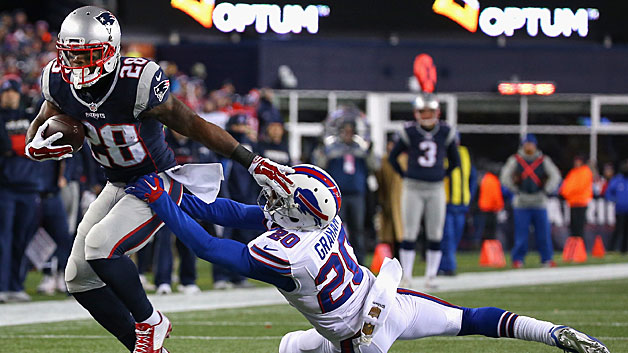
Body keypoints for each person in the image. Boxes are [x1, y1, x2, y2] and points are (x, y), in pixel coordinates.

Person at [23, 7, 293, 353]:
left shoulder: (137, 82)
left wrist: (251, 161)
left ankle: (151, 321)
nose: (74, 64)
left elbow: (193, 124)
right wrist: (35, 146)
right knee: (78, 277)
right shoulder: (58, 80)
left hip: (154, 183)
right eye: (69, 54)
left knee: (100, 246)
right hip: (116, 182)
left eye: (84, 55)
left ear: (109, 51)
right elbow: (43, 118)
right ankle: (145, 348)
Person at [125, 165, 609, 353]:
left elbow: (209, 246)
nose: (274, 195)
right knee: (474, 320)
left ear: (296, 211)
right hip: (385, 299)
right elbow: (228, 212)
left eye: (283, 194)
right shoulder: (324, 222)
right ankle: (554, 334)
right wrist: (171, 194)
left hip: (360, 339)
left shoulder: (285, 255)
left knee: (296, 347)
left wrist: (161, 202)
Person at [388, 94, 460, 288]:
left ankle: (431, 276)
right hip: (413, 187)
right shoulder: (409, 131)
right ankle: (407, 276)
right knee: (409, 232)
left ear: (437, 112)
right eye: (423, 111)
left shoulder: (445, 131)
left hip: (435, 187)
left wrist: (441, 174)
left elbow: (455, 161)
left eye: (430, 111)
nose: (426, 115)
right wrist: (405, 175)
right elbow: (393, 157)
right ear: (416, 113)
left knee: (435, 232)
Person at [0, 78, 42, 303]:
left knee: (22, 239)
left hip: (29, 187)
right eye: (4, 92)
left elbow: (34, 145)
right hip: (5, 187)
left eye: (11, 92)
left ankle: (16, 285)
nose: (8, 96)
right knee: (3, 239)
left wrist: (17, 146)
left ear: (18, 94)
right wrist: (21, 146)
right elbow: (10, 146)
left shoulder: (29, 117)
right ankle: (2, 286)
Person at [315, 118, 379, 264]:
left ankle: (359, 262)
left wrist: (370, 151)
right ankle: (335, 261)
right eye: (345, 131)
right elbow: (320, 165)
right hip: (337, 195)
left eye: (351, 131)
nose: (348, 134)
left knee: (358, 230)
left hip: (357, 194)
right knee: (335, 229)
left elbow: (374, 167)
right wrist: (320, 149)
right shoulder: (332, 148)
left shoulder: (360, 149)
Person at [500, 134, 561, 268]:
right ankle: (518, 259)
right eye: (526, 144)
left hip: (539, 201)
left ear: (535, 145)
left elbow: (555, 176)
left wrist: (547, 189)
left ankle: (546, 258)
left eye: (531, 144)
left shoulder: (543, 160)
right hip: (521, 202)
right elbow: (504, 176)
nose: (529, 147)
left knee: (544, 233)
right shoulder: (516, 160)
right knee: (521, 234)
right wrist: (514, 189)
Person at [439, 141, 476, 276]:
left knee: (455, 236)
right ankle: (448, 266)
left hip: (460, 203)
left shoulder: (464, 154)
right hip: (446, 202)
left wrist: (468, 199)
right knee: (447, 236)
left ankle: (444, 265)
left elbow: (472, 177)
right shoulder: (441, 153)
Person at [559, 156, 593, 239]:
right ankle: (574, 245)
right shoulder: (573, 172)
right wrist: (565, 193)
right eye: (576, 161)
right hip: (572, 202)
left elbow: (579, 187)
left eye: (578, 161)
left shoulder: (585, 171)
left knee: (579, 226)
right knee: (573, 226)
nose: (576, 163)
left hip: (581, 202)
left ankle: (580, 246)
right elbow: (565, 187)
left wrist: (568, 193)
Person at [606, 160, 628, 254]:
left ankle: (624, 250)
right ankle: (612, 248)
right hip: (620, 209)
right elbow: (608, 192)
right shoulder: (617, 179)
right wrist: (615, 200)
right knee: (618, 230)